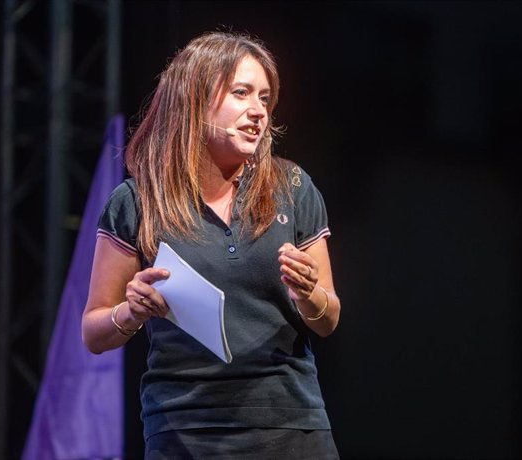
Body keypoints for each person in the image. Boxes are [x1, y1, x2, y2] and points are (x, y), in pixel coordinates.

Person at [82, 30, 341, 459]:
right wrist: (131, 311)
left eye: (264, 98)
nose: (258, 110)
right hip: (184, 429)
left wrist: (309, 294)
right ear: (195, 98)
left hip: (290, 426)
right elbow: (93, 331)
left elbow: (329, 318)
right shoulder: (137, 201)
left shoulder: (292, 188)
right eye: (242, 93)